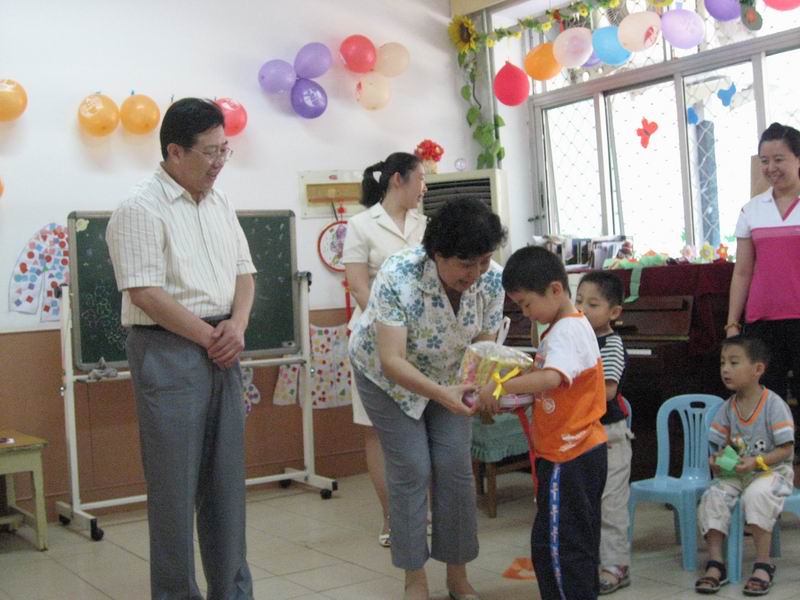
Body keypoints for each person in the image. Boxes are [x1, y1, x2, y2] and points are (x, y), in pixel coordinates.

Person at [106, 98, 255, 600]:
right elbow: (145, 292)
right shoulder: (139, 208)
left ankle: (233, 592)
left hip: (223, 347)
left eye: (224, 150)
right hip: (168, 350)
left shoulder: (220, 202)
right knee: (174, 492)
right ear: (174, 151)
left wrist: (237, 325)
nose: (219, 162)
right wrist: (211, 338)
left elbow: (245, 274)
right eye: (210, 152)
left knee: (227, 487)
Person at [349, 197, 506, 600]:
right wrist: (441, 394)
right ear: (437, 254)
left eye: (484, 261)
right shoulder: (399, 275)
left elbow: (484, 343)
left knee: (455, 468)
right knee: (413, 468)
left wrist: (481, 385)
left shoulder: (492, 280)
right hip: (388, 378)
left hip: (451, 375)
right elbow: (391, 360)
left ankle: (457, 576)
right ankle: (414, 578)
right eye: (465, 264)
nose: (475, 273)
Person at [478, 246, 608, 600]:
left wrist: (501, 385)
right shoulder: (567, 327)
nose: (525, 313)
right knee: (561, 543)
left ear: (554, 289)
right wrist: (513, 400)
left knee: (560, 549)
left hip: (570, 454)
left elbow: (551, 378)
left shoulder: (566, 331)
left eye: (526, 304)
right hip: (575, 451)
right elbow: (554, 388)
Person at [342, 152, 428, 548]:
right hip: (371, 339)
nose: (424, 187)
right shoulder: (361, 225)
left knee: (420, 421)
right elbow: (359, 285)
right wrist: (389, 325)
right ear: (398, 179)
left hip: (422, 340)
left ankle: (422, 512)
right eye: (420, 178)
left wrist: (413, 331)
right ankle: (392, 517)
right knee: (376, 429)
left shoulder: (426, 225)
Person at [695, 335, 794, 596]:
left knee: (757, 495)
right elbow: (722, 448)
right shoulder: (728, 408)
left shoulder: (774, 405)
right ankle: (716, 563)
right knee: (713, 496)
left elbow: (786, 449)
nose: (725, 369)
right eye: (722, 363)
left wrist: (756, 461)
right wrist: (718, 460)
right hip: (739, 474)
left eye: (734, 362)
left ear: (757, 369)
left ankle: (763, 563)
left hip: (773, 471)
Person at [726, 123, 800, 409]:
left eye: (779, 159)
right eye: (765, 161)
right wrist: (733, 323)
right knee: (767, 403)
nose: (771, 168)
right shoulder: (751, 210)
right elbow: (742, 272)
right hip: (762, 323)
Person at [575, 271, 632, 595]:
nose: (582, 309)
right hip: (585, 435)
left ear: (614, 312)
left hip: (611, 436)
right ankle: (592, 561)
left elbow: (608, 391)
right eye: (578, 301)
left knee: (610, 505)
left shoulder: (610, 344)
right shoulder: (579, 338)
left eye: (592, 304)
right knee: (587, 504)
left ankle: (615, 566)